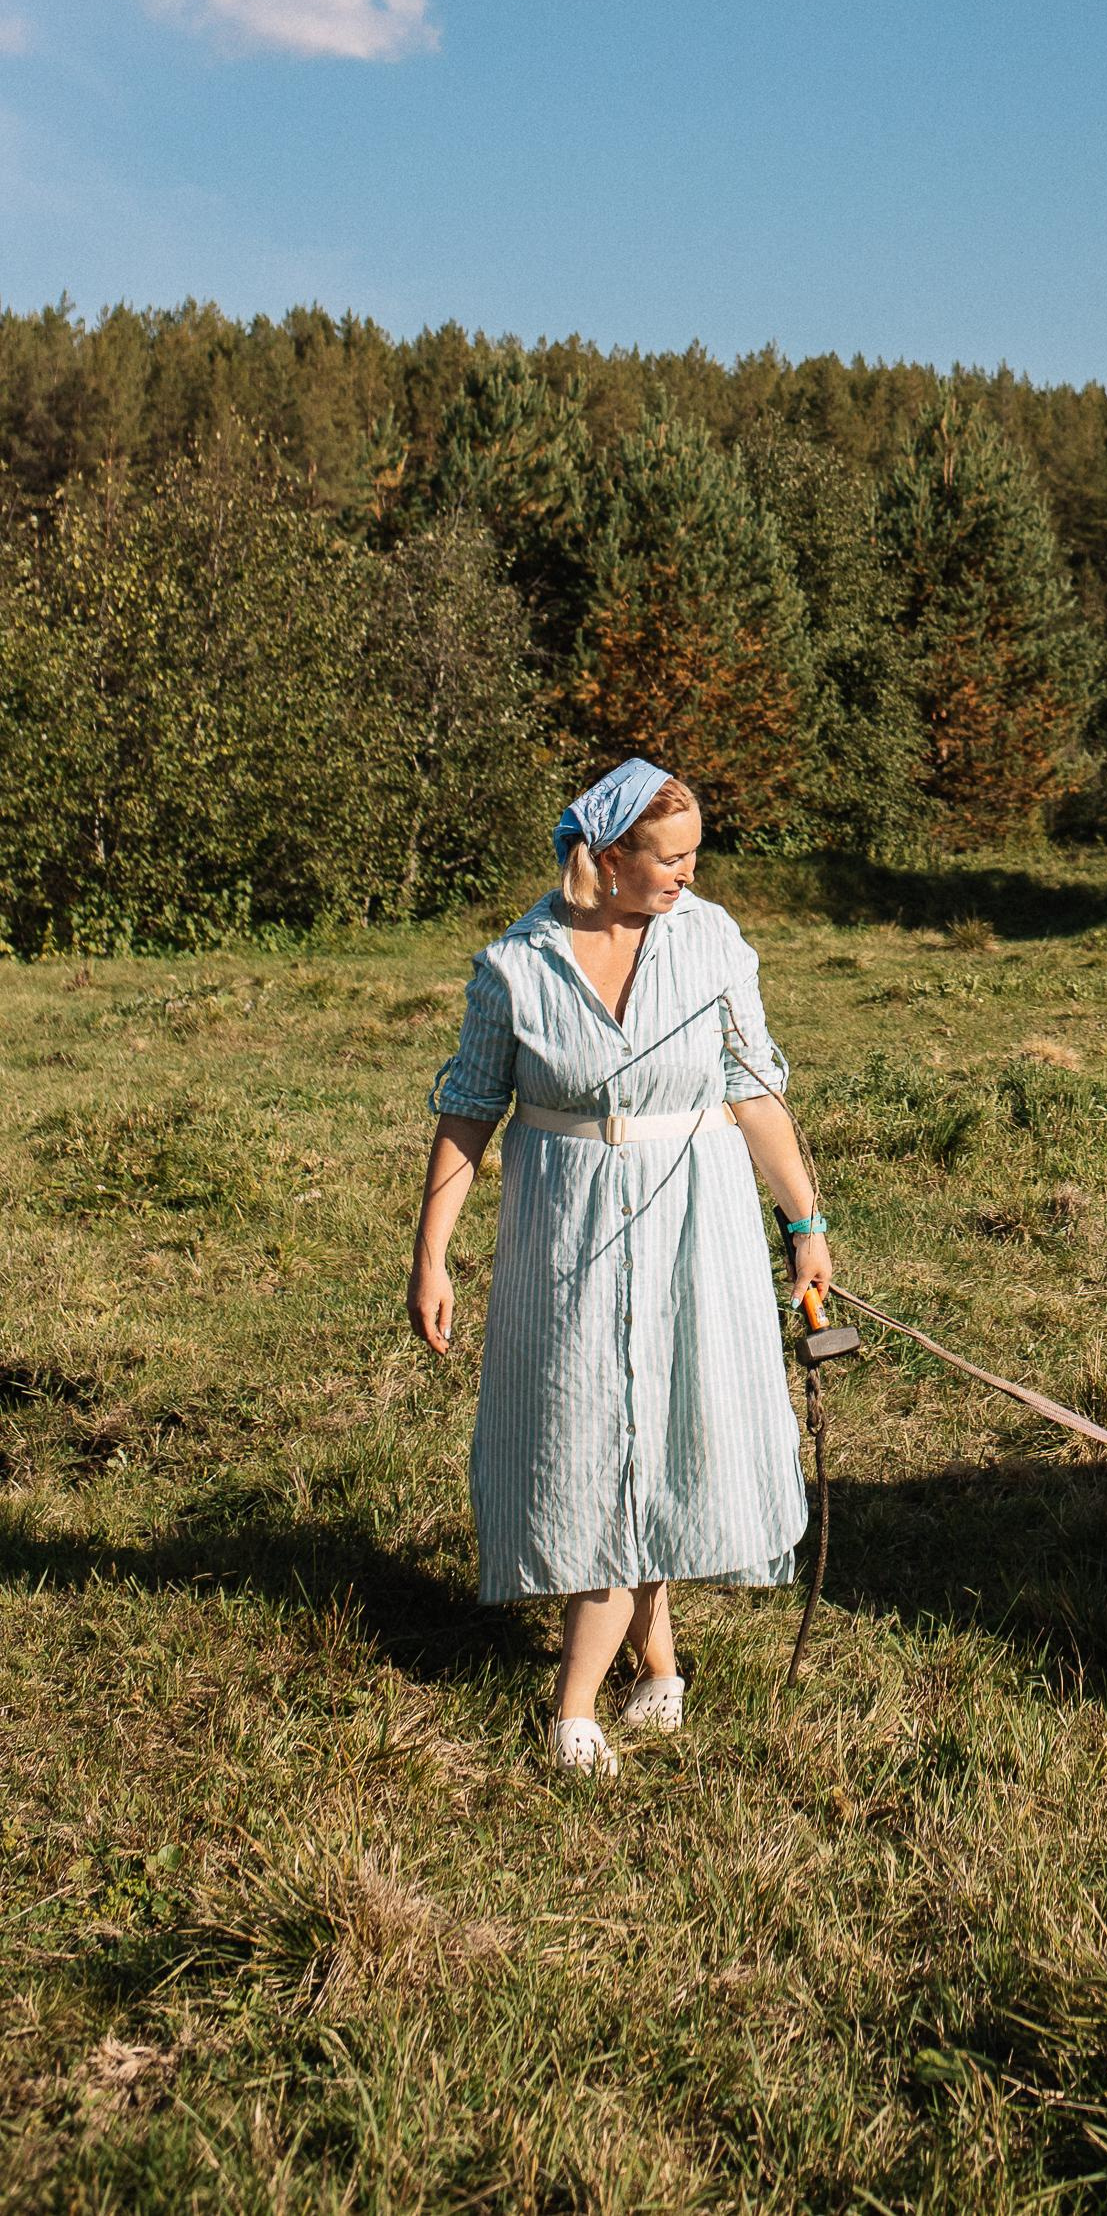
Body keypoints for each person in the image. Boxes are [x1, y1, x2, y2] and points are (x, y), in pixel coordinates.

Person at [408, 755, 831, 1772]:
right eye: (669, 856)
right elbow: (469, 1110)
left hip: (698, 1220)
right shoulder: (517, 964)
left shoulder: (714, 942)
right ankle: (654, 1669)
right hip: (566, 1223)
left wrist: (805, 1222)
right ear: (605, 856)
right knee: (590, 1431)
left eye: (693, 855)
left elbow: (755, 1091)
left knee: (660, 1427)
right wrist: (432, 1255)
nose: (688, 873)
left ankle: (576, 1707)